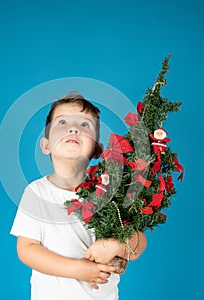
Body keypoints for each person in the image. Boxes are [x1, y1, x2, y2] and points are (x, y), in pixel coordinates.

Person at [10, 93, 147, 300]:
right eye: (62, 122)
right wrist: (78, 270)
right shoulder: (37, 192)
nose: (73, 129)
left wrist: (115, 245)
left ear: (96, 150)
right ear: (46, 145)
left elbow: (138, 244)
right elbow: (27, 250)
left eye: (84, 125)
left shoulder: (109, 192)